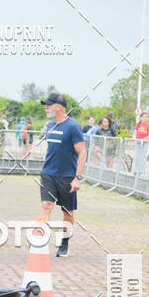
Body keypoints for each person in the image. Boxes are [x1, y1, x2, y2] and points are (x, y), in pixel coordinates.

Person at [37, 91, 86, 258]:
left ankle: (64, 243)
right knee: (46, 206)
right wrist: (43, 172)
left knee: (67, 212)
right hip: (49, 174)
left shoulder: (73, 127)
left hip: (67, 177)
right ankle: (39, 242)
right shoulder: (50, 126)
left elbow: (82, 153)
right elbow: (51, 151)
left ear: (58, 107)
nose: (46, 108)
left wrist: (77, 178)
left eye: (48, 105)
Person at [133, 110, 149, 175]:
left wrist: (143, 140)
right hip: (138, 143)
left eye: (146, 117)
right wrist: (135, 139)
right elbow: (135, 133)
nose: (145, 118)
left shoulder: (148, 126)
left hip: (145, 143)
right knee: (137, 157)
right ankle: (136, 170)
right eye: (143, 117)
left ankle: (141, 171)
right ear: (141, 117)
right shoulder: (138, 125)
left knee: (143, 157)